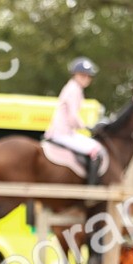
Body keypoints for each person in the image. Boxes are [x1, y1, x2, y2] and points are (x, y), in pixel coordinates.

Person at [45, 57, 102, 185]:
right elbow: (72, 116)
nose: (86, 78)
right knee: (95, 149)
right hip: (62, 133)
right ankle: (91, 189)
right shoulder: (74, 89)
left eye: (89, 76)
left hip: (66, 132)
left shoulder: (74, 88)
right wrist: (86, 127)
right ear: (75, 75)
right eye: (83, 75)